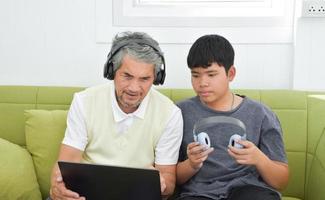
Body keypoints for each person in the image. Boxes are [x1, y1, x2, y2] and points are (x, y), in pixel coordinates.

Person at [49, 31, 183, 200]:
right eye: (127, 76)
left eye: (144, 79)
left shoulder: (170, 114)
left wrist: (161, 184)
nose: (134, 88)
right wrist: (58, 188)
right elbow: (66, 163)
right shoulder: (84, 101)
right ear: (112, 71)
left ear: (156, 78)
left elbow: (169, 184)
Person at [176, 34, 289, 200]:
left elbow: (281, 181)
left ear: (231, 74)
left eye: (211, 74)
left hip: (248, 190)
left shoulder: (261, 114)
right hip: (199, 193)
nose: (202, 83)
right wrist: (191, 164)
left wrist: (259, 159)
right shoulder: (179, 112)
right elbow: (172, 177)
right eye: (195, 75)